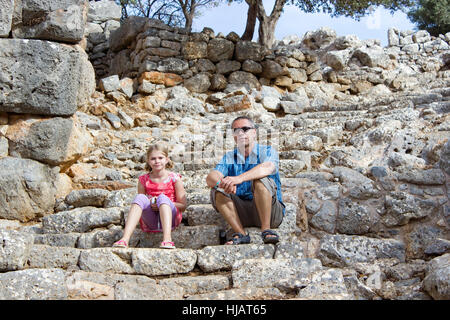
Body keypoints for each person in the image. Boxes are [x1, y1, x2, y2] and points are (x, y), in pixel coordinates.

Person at [206, 116, 285, 245]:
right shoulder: (230, 157)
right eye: (236, 131)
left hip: (271, 213)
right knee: (217, 189)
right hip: (242, 212)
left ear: (254, 132)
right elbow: (211, 177)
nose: (241, 133)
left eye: (245, 129)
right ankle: (241, 234)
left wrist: (238, 179)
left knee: (260, 180)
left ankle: (266, 230)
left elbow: (267, 167)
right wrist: (223, 183)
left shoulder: (267, 151)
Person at [113, 143, 186, 249]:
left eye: (160, 158)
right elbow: (140, 204)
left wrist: (162, 204)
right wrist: (152, 204)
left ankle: (167, 240)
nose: (157, 161)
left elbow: (183, 206)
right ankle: (124, 239)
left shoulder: (174, 178)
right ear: (148, 161)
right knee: (140, 198)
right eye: (153, 159)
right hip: (151, 222)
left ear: (166, 159)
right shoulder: (143, 179)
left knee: (163, 198)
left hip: (171, 219)